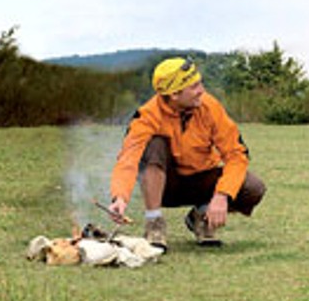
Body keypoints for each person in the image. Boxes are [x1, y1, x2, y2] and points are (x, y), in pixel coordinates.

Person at [107, 57, 267, 249]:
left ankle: (201, 216)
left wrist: (222, 195)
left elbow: (236, 154)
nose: (202, 90)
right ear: (174, 94)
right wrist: (120, 197)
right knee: (155, 144)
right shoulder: (146, 116)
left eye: (200, 83)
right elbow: (127, 160)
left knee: (253, 188)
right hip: (165, 186)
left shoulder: (210, 107)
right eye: (194, 86)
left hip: (202, 179)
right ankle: (154, 223)